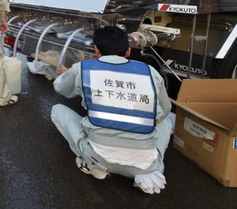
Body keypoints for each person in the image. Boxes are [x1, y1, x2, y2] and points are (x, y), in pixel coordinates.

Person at [52, 26, 172, 195]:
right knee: (165, 121)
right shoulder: (149, 72)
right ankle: (145, 176)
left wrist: (69, 73)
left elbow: (60, 87)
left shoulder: (83, 68)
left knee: (57, 110)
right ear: (128, 51)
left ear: (96, 50)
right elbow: (165, 109)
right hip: (146, 165)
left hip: (98, 157)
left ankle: (92, 167)